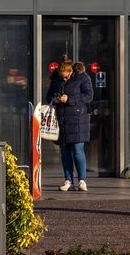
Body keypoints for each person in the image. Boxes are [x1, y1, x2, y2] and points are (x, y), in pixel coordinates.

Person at [46, 58, 93, 192]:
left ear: (71, 71)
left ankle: (82, 180)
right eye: (61, 75)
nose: (63, 77)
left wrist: (70, 99)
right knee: (65, 152)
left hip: (78, 119)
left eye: (65, 75)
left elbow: (89, 95)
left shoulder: (82, 77)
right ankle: (68, 180)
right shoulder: (56, 79)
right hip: (62, 119)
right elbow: (48, 96)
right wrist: (55, 99)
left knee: (77, 150)